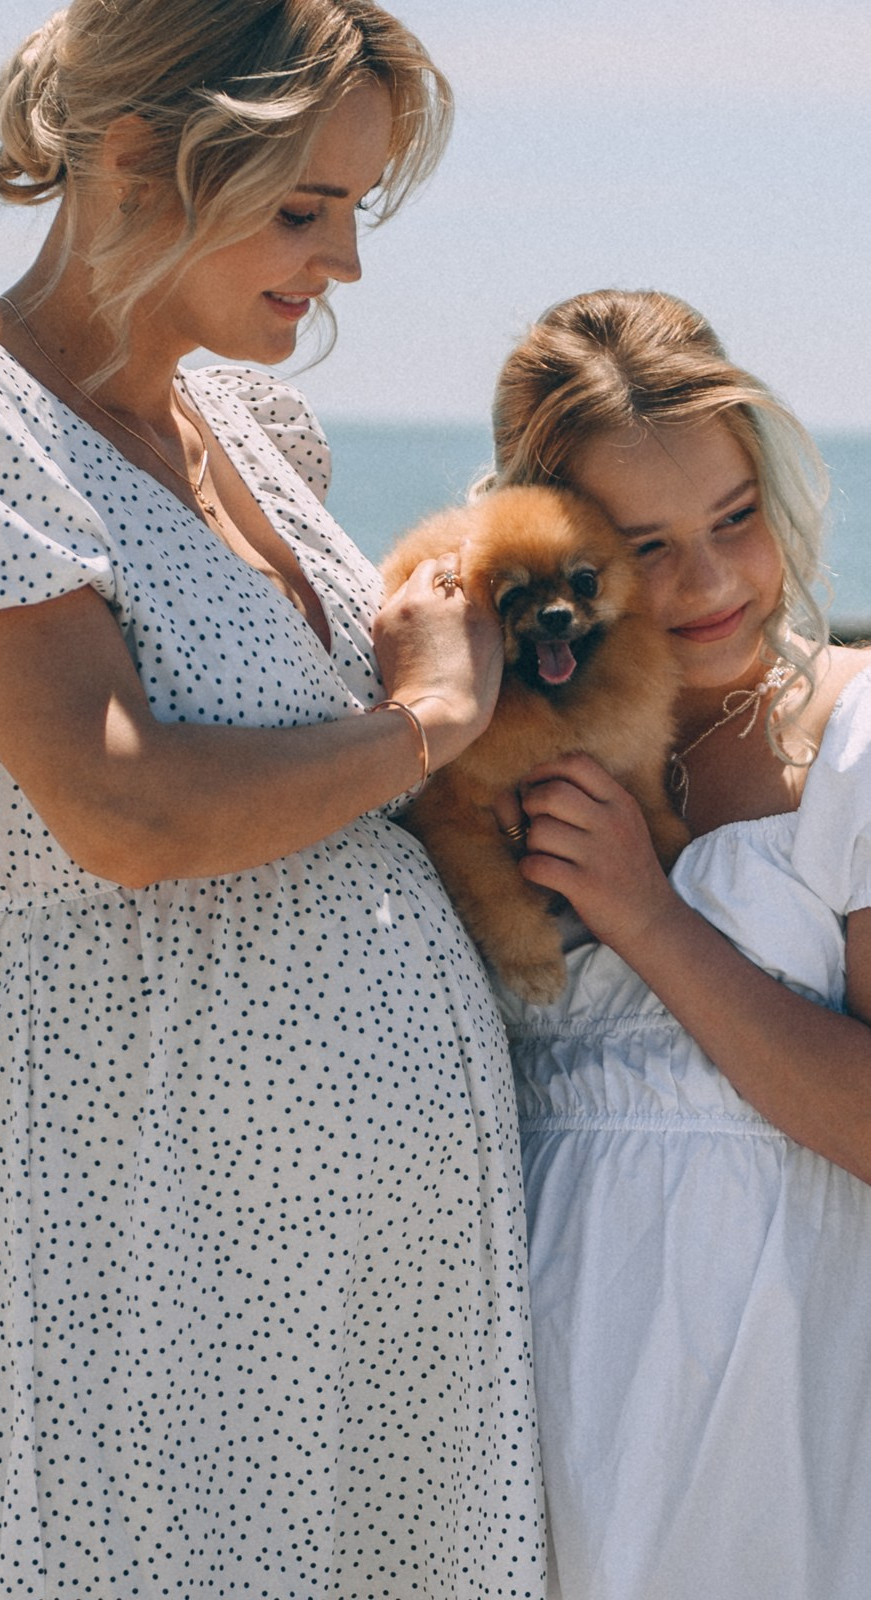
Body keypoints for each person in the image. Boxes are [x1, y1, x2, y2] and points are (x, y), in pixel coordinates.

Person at [0, 4, 548, 1594]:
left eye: (358, 208)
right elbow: (121, 810)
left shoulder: (249, 435)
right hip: (132, 1172)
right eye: (305, 208)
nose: (345, 262)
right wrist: (426, 723)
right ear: (139, 159)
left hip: (369, 1245)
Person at [485, 287, 871, 1600]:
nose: (710, 584)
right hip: (538, 1388)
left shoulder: (853, 743)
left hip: (781, 1396)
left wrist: (648, 917)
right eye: (644, 547)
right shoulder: (502, 757)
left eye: (735, 518)